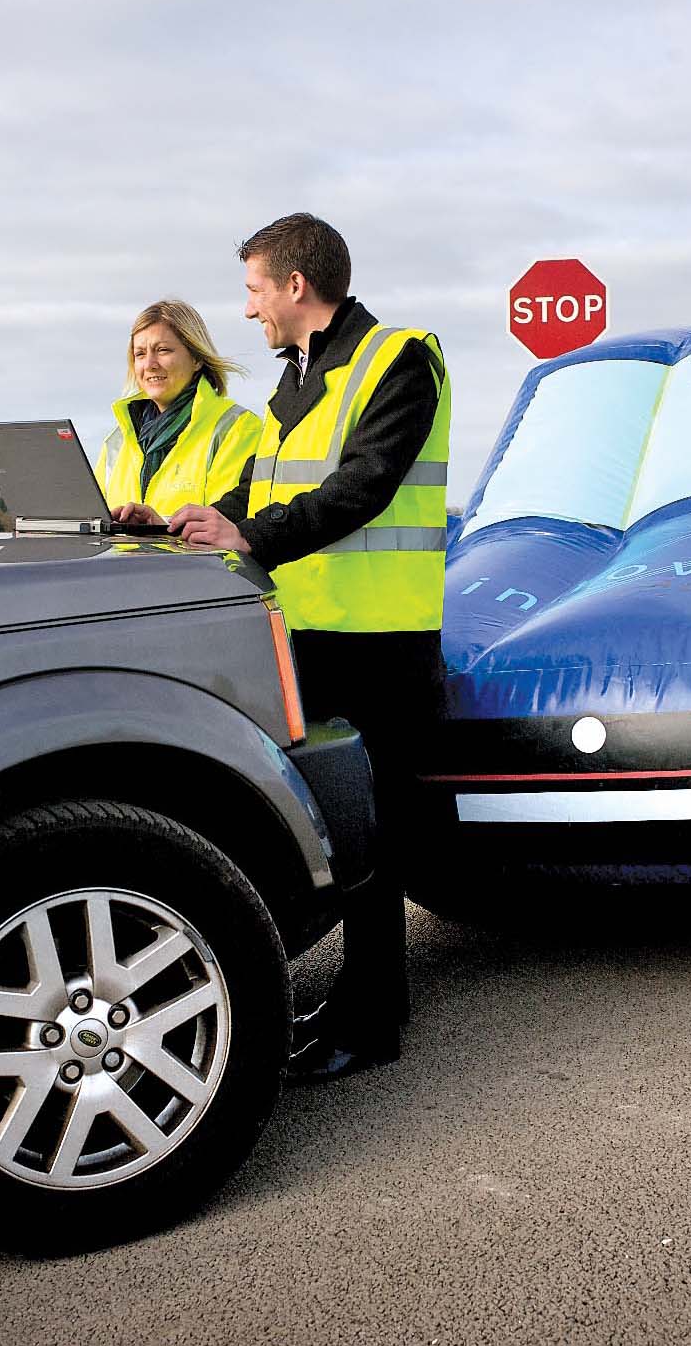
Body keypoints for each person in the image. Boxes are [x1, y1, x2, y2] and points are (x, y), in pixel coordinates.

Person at [128, 213, 451, 1083]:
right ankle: (350, 997)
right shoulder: (295, 377)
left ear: (296, 287)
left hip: (380, 643)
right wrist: (183, 519)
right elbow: (261, 483)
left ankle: (374, 1023)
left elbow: (365, 485)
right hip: (308, 633)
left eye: (254, 290)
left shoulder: (399, 359)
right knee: (337, 838)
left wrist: (252, 540)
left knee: (374, 843)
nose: (248, 310)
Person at [95, 301, 260, 520]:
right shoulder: (116, 441)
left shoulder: (237, 428)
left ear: (197, 358)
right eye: (140, 354)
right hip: (127, 556)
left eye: (162, 350)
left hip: (200, 556)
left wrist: (160, 526)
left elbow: (227, 522)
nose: (150, 364)